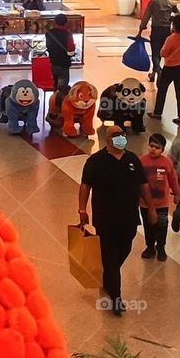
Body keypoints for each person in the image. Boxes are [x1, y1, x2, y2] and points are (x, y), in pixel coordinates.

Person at [78, 125, 157, 315]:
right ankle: (116, 298)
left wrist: (151, 207)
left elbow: (143, 184)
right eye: (116, 135)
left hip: (129, 217)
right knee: (111, 257)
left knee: (125, 248)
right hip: (105, 218)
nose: (121, 138)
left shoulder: (132, 160)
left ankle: (108, 277)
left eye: (122, 134)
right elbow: (85, 186)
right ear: (107, 140)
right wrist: (82, 210)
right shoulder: (95, 161)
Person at [139, 133, 180, 261]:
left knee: (161, 226)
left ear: (162, 150)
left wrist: (177, 193)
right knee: (148, 226)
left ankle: (161, 247)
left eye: (157, 147)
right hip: (145, 202)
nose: (153, 149)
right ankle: (150, 247)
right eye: (151, 146)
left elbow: (173, 179)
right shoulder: (141, 161)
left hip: (162, 203)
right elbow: (136, 180)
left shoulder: (167, 162)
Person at [149, 13, 180, 124]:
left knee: (162, 90)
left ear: (174, 25)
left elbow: (163, 53)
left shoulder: (171, 38)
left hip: (170, 68)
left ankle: (157, 113)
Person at [138, 0, 175, 84]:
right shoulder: (170, 3)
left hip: (156, 30)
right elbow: (178, 15)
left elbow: (146, 17)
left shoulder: (153, 3)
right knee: (162, 52)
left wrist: (140, 31)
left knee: (155, 52)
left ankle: (158, 70)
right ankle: (153, 74)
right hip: (166, 30)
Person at [45, 11, 74, 92]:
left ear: (55, 22)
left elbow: (48, 46)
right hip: (64, 63)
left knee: (55, 83)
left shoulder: (49, 33)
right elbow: (71, 49)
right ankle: (60, 102)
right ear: (66, 23)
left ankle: (54, 100)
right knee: (62, 86)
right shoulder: (67, 33)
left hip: (53, 62)